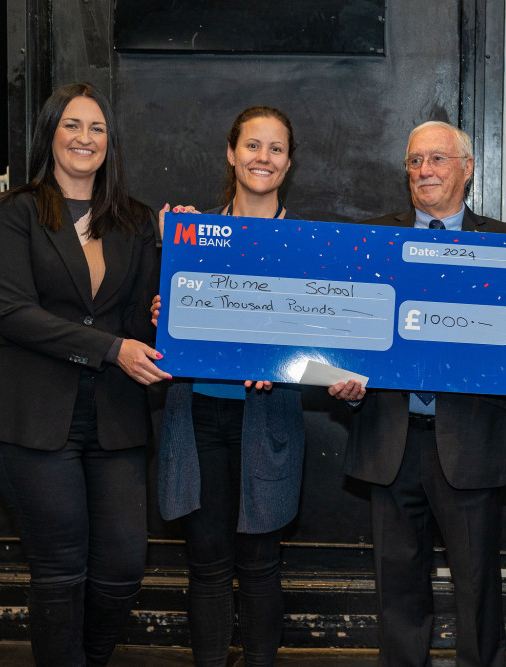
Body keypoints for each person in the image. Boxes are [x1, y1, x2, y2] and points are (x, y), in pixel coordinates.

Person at [329, 120, 506, 666]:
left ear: (467, 168)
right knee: (397, 595)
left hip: (470, 445)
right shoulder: (369, 241)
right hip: (389, 441)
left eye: (438, 159)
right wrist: (346, 381)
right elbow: (344, 334)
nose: (424, 171)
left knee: (478, 595)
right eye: (414, 161)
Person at [0, 82, 167, 666]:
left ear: (111, 142)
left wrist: (163, 312)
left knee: (123, 567)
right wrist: (112, 348)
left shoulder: (135, 220)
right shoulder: (18, 212)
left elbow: (139, 322)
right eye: (73, 126)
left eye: (97, 128)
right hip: (33, 419)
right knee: (60, 571)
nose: (85, 139)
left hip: (116, 422)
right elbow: (13, 314)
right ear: (50, 134)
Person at [154, 106, 304, 667]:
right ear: (230, 152)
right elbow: (172, 318)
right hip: (196, 419)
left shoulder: (309, 246)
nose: (262, 158)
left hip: (268, 421)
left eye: (275, 148)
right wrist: (165, 310)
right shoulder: (191, 234)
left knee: (262, 564)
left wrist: (284, 359)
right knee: (208, 565)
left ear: (289, 163)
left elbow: (326, 345)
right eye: (252, 146)